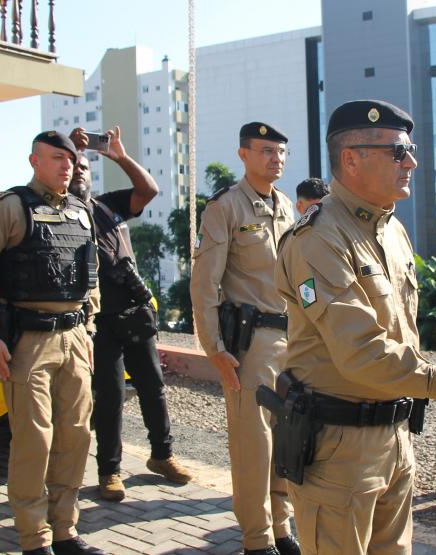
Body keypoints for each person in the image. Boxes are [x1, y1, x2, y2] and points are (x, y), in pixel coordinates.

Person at [275, 99, 436, 555]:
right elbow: (362, 351)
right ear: (351, 159)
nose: (411, 162)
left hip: (396, 438)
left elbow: (403, 337)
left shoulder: (393, 231)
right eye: (398, 151)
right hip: (338, 452)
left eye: (410, 150)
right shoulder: (318, 238)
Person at [0, 131, 105, 555]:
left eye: (70, 159)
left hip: (74, 339)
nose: (66, 166)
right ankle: (34, 538)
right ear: (34, 161)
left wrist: (88, 330)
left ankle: (65, 530)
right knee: (34, 441)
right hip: (27, 341)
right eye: (56, 158)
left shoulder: (81, 211)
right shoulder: (8, 207)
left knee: (76, 437)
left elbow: (91, 276)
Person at [67, 126, 193, 503]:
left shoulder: (108, 206)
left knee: (154, 388)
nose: (78, 172)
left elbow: (148, 190)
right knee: (109, 395)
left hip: (135, 313)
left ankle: (162, 456)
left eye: (84, 167)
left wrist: (119, 157)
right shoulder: (57, 214)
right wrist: (69, 147)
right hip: (98, 321)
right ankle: (109, 471)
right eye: (71, 166)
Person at [190, 122, 299, 555]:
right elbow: (204, 285)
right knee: (254, 445)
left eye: (281, 152)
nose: (276, 159)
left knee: (287, 437)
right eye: (266, 150)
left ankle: (282, 528)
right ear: (244, 155)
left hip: (291, 340)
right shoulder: (225, 207)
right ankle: (257, 539)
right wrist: (214, 349)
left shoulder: (287, 207)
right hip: (251, 344)